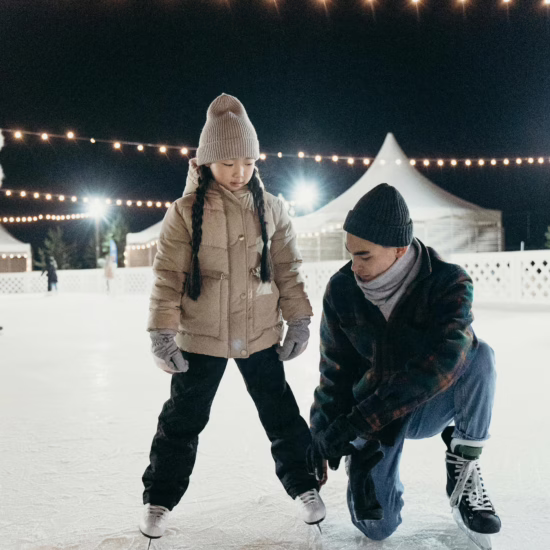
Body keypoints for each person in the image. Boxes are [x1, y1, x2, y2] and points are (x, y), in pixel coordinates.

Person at [139, 94, 325, 541]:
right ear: (205, 163)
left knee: (281, 414)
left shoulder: (273, 208)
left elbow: (288, 269)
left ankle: (305, 488)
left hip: (260, 333)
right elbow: (169, 275)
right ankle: (158, 500)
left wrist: (298, 320)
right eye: (227, 163)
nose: (239, 172)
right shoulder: (184, 213)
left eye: (246, 161)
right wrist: (163, 333)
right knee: (182, 421)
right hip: (200, 337)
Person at [307, 184, 501, 547]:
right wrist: (320, 434)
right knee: (376, 528)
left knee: (480, 356)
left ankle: (463, 465)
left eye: (364, 256)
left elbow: (446, 362)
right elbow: (333, 371)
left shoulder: (448, 281)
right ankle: (364, 463)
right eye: (350, 254)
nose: (355, 266)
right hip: (374, 415)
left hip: (423, 404)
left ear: (399, 248)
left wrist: (357, 421)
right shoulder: (342, 290)